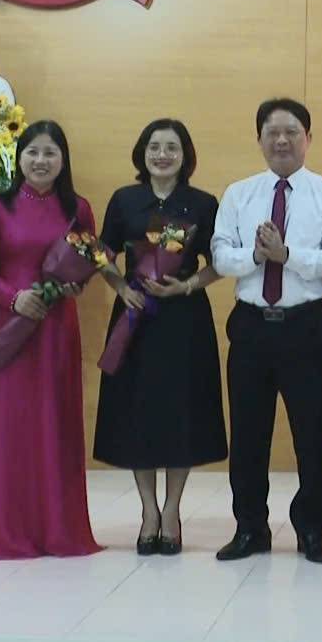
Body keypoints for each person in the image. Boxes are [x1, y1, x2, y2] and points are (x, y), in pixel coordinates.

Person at [210, 98, 322, 564]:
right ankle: (250, 527)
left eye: (292, 131)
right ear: (259, 139)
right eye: (272, 132)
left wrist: (287, 255)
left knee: (312, 434)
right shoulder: (239, 194)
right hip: (251, 327)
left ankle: (312, 530)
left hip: (306, 327)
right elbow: (220, 254)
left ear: (308, 138)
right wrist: (256, 256)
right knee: (248, 434)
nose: (282, 140)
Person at [93, 119, 225, 557]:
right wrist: (121, 287)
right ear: (142, 153)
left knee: (181, 411)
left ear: (185, 156)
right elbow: (101, 253)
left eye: (172, 147)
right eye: (154, 147)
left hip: (184, 319)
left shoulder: (202, 203)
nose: (162, 155)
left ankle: (172, 511)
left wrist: (186, 286)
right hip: (135, 317)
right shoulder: (124, 200)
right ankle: (148, 511)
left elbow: (220, 261)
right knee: (138, 412)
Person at [0, 120, 101, 559]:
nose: (41, 161)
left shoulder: (78, 209)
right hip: (12, 328)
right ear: (19, 157)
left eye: (50, 153)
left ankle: (58, 529)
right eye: (32, 152)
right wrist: (14, 298)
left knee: (55, 422)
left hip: (57, 326)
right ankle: (8, 530)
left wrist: (75, 285)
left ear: (63, 160)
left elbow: (86, 261)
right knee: (12, 427)